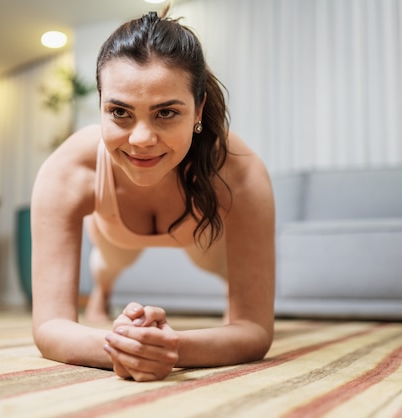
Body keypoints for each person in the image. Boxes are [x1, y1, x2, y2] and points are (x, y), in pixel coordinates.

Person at [30, 8, 275, 382]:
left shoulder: (239, 172)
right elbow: (49, 326)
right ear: (100, 107)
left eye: (165, 113)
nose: (141, 139)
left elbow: (255, 331)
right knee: (109, 263)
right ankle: (102, 291)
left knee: (216, 266)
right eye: (119, 112)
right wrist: (128, 346)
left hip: (201, 232)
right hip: (113, 231)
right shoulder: (69, 171)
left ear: (198, 109)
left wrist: (170, 347)